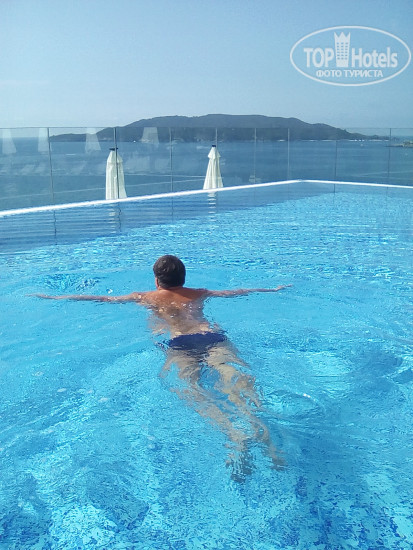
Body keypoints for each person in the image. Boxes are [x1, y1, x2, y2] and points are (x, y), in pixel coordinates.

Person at [35, 255, 290, 481]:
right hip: (211, 337)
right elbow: (238, 292)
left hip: (181, 343)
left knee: (191, 391)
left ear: (157, 281)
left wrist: (54, 297)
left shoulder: (146, 297)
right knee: (234, 379)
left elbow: (102, 299)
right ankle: (265, 437)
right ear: (184, 278)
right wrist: (273, 288)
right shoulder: (199, 293)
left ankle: (233, 433)